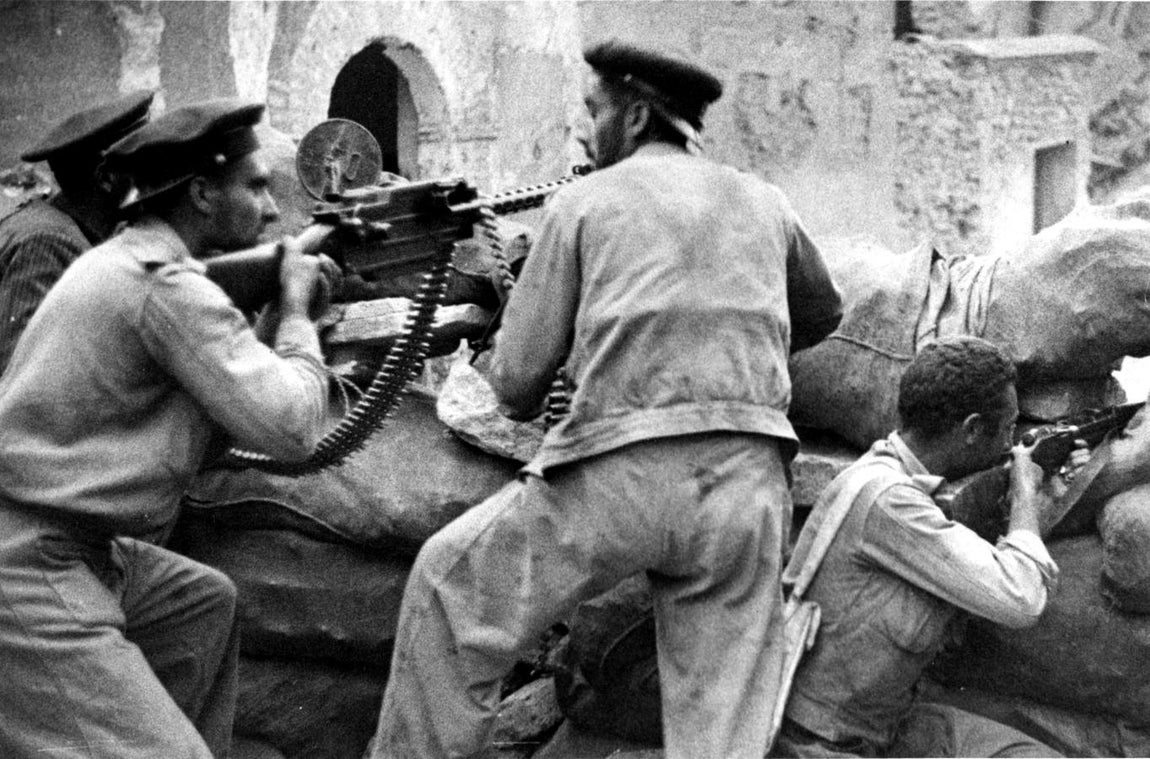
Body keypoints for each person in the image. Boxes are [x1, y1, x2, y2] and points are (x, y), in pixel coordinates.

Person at [370, 39, 843, 759]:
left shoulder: (582, 203)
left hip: (620, 478)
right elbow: (823, 312)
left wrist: (517, 320)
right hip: (747, 488)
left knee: (450, 587)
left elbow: (518, 387)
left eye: (594, 111)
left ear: (637, 114)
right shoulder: (765, 200)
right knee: (723, 727)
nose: (585, 131)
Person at [0, 98, 335, 758]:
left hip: (77, 543)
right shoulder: (164, 286)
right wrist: (297, 315)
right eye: (257, 186)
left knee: (202, 604)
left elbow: (210, 429)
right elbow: (293, 429)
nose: (272, 211)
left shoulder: (129, 263)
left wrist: (267, 324)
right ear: (204, 194)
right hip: (26, 560)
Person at [774, 336, 1086, 758]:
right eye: (1008, 428)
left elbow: (992, 569)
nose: (1011, 443)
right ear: (973, 428)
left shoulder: (888, 480)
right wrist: (1025, 495)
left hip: (882, 729)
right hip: (823, 746)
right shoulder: (890, 500)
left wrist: (1043, 500)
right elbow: (1021, 598)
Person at [0, 89, 154, 375]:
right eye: (148, 165)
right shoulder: (47, 243)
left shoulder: (63, 230)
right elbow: (23, 378)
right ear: (107, 178)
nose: (158, 178)